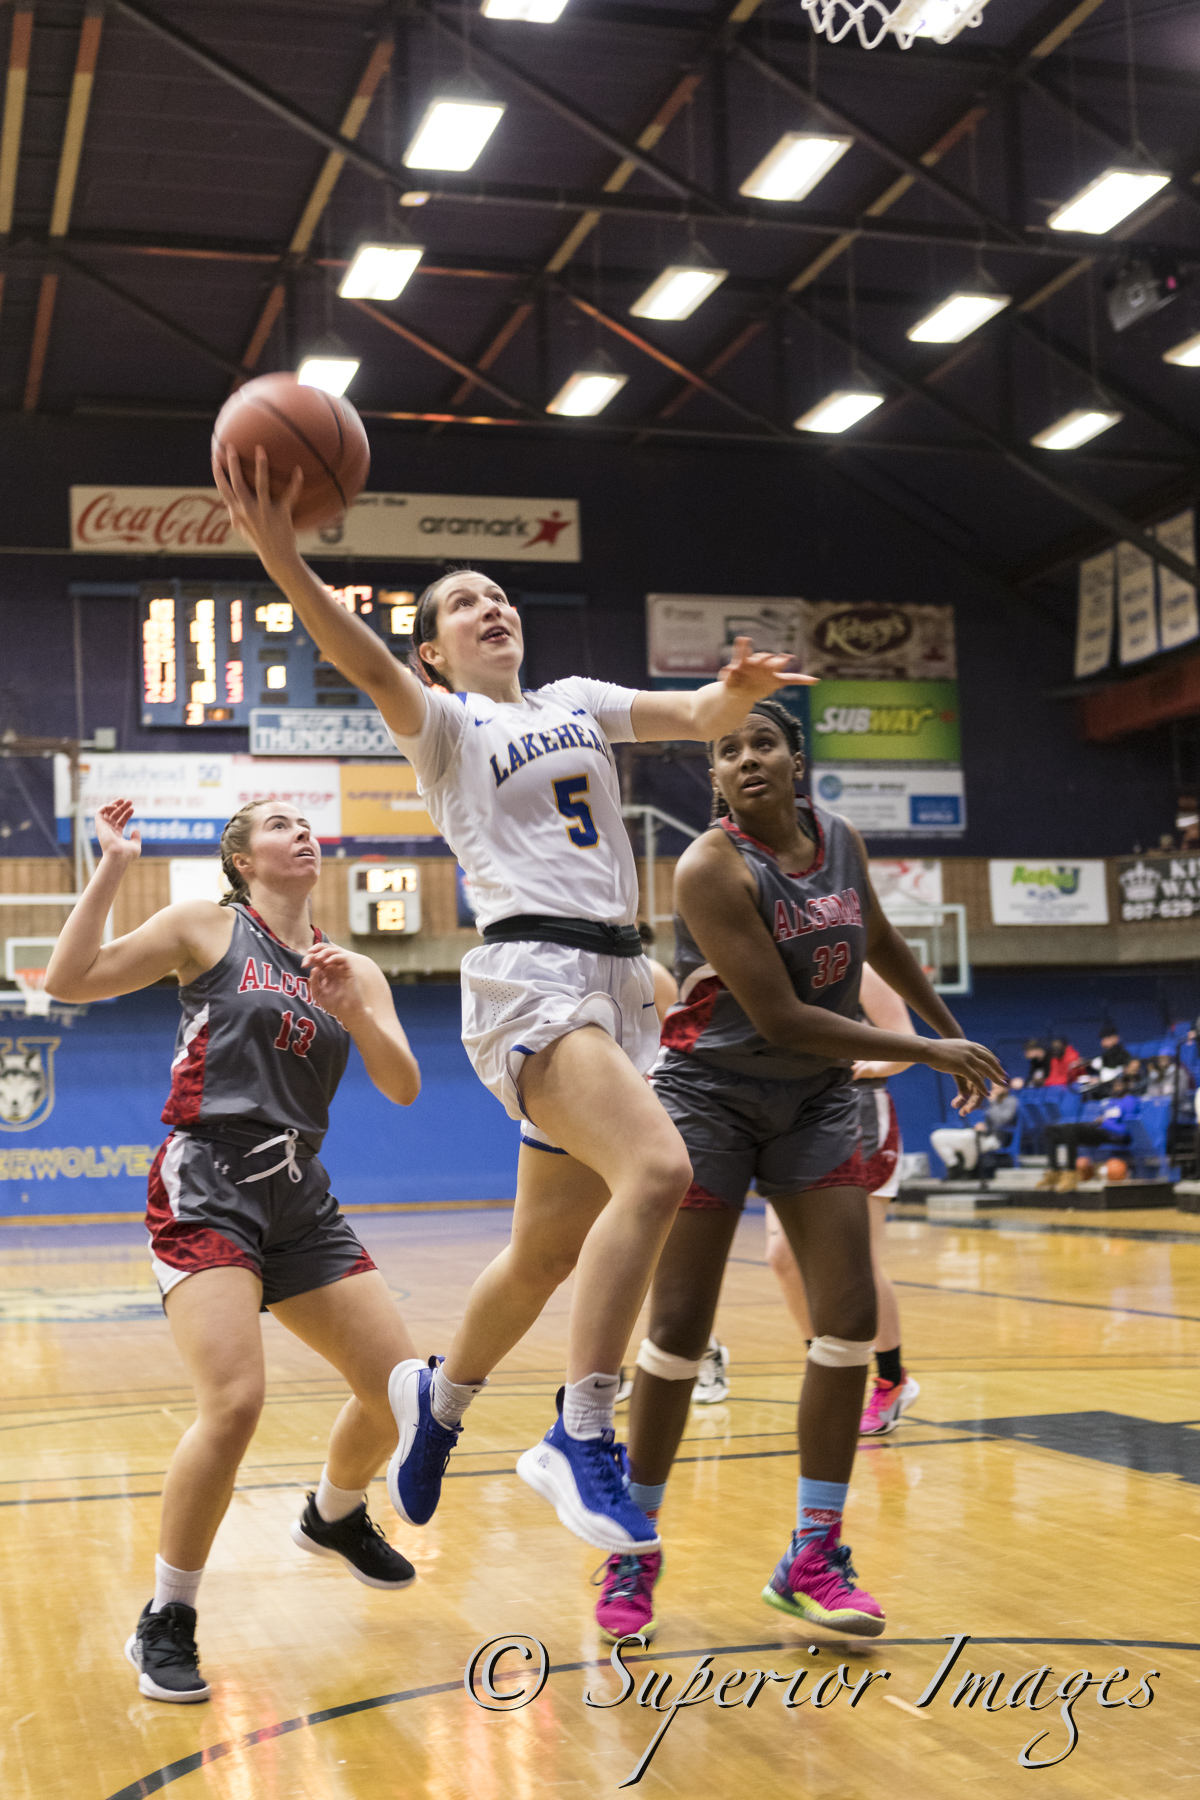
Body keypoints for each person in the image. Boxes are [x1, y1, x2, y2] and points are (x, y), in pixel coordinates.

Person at [213, 444, 814, 1559]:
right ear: (434, 647)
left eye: (498, 595)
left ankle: (439, 1402)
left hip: (620, 982)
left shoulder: (579, 699)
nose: (490, 607)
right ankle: (579, 1433)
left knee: (543, 1252)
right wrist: (286, 560)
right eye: (462, 605)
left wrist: (731, 697)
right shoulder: (444, 726)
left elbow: (690, 718)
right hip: (532, 976)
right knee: (660, 1171)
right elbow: (361, 659)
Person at [590, 699, 1005, 1644]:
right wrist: (925, 1053)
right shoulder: (709, 865)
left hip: (815, 1101)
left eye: (761, 743)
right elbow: (777, 1016)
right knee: (681, 1329)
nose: (745, 760)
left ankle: (812, 1555)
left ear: (795, 758)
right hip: (710, 1098)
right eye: (726, 750)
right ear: (717, 778)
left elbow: (880, 940)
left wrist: (945, 1026)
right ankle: (633, 1545)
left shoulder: (842, 840)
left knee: (849, 1315)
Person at [45, 796, 422, 1704]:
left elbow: (404, 1084)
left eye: (305, 823)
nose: (301, 832)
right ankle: (167, 1618)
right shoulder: (205, 928)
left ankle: (333, 1515)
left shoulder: (353, 964)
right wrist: (112, 866)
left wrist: (354, 1011)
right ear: (243, 859)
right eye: (280, 823)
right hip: (207, 1178)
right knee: (236, 1401)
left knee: (399, 1391)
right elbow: (67, 978)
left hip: (299, 1193)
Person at [764, 962, 921, 1439]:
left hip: (857, 1112)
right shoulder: (771, 962)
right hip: (791, 1115)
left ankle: (892, 1378)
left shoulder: (858, 967)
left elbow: (905, 1044)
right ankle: (826, 1367)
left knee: (860, 1261)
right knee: (784, 1257)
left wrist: (866, 1064)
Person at [1037, 1078, 1138, 1192]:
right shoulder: (1110, 1102)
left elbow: (1127, 1129)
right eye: (1115, 1085)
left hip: (1115, 1136)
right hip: (1099, 1131)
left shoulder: (1129, 1101)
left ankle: (1071, 1172)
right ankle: (1054, 1170)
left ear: (1127, 1086)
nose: (1116, 1088)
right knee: (1051, 1129)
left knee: (1071, 1130)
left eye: (1120, 1085)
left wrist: (1104, 1122)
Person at [930, 1082, 1021, 1177]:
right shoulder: (987, 1101)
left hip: (997, 1138)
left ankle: (969, 1170)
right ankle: (954, 1167)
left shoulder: (1011, 1100)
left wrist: (993, 1103)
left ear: (1005, 1088)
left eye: (998, 1088)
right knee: (938, 1136)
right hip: (978, 1133)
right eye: (993, 1088)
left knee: (969, 1137)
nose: (995, 1091)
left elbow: (1002, 1120)